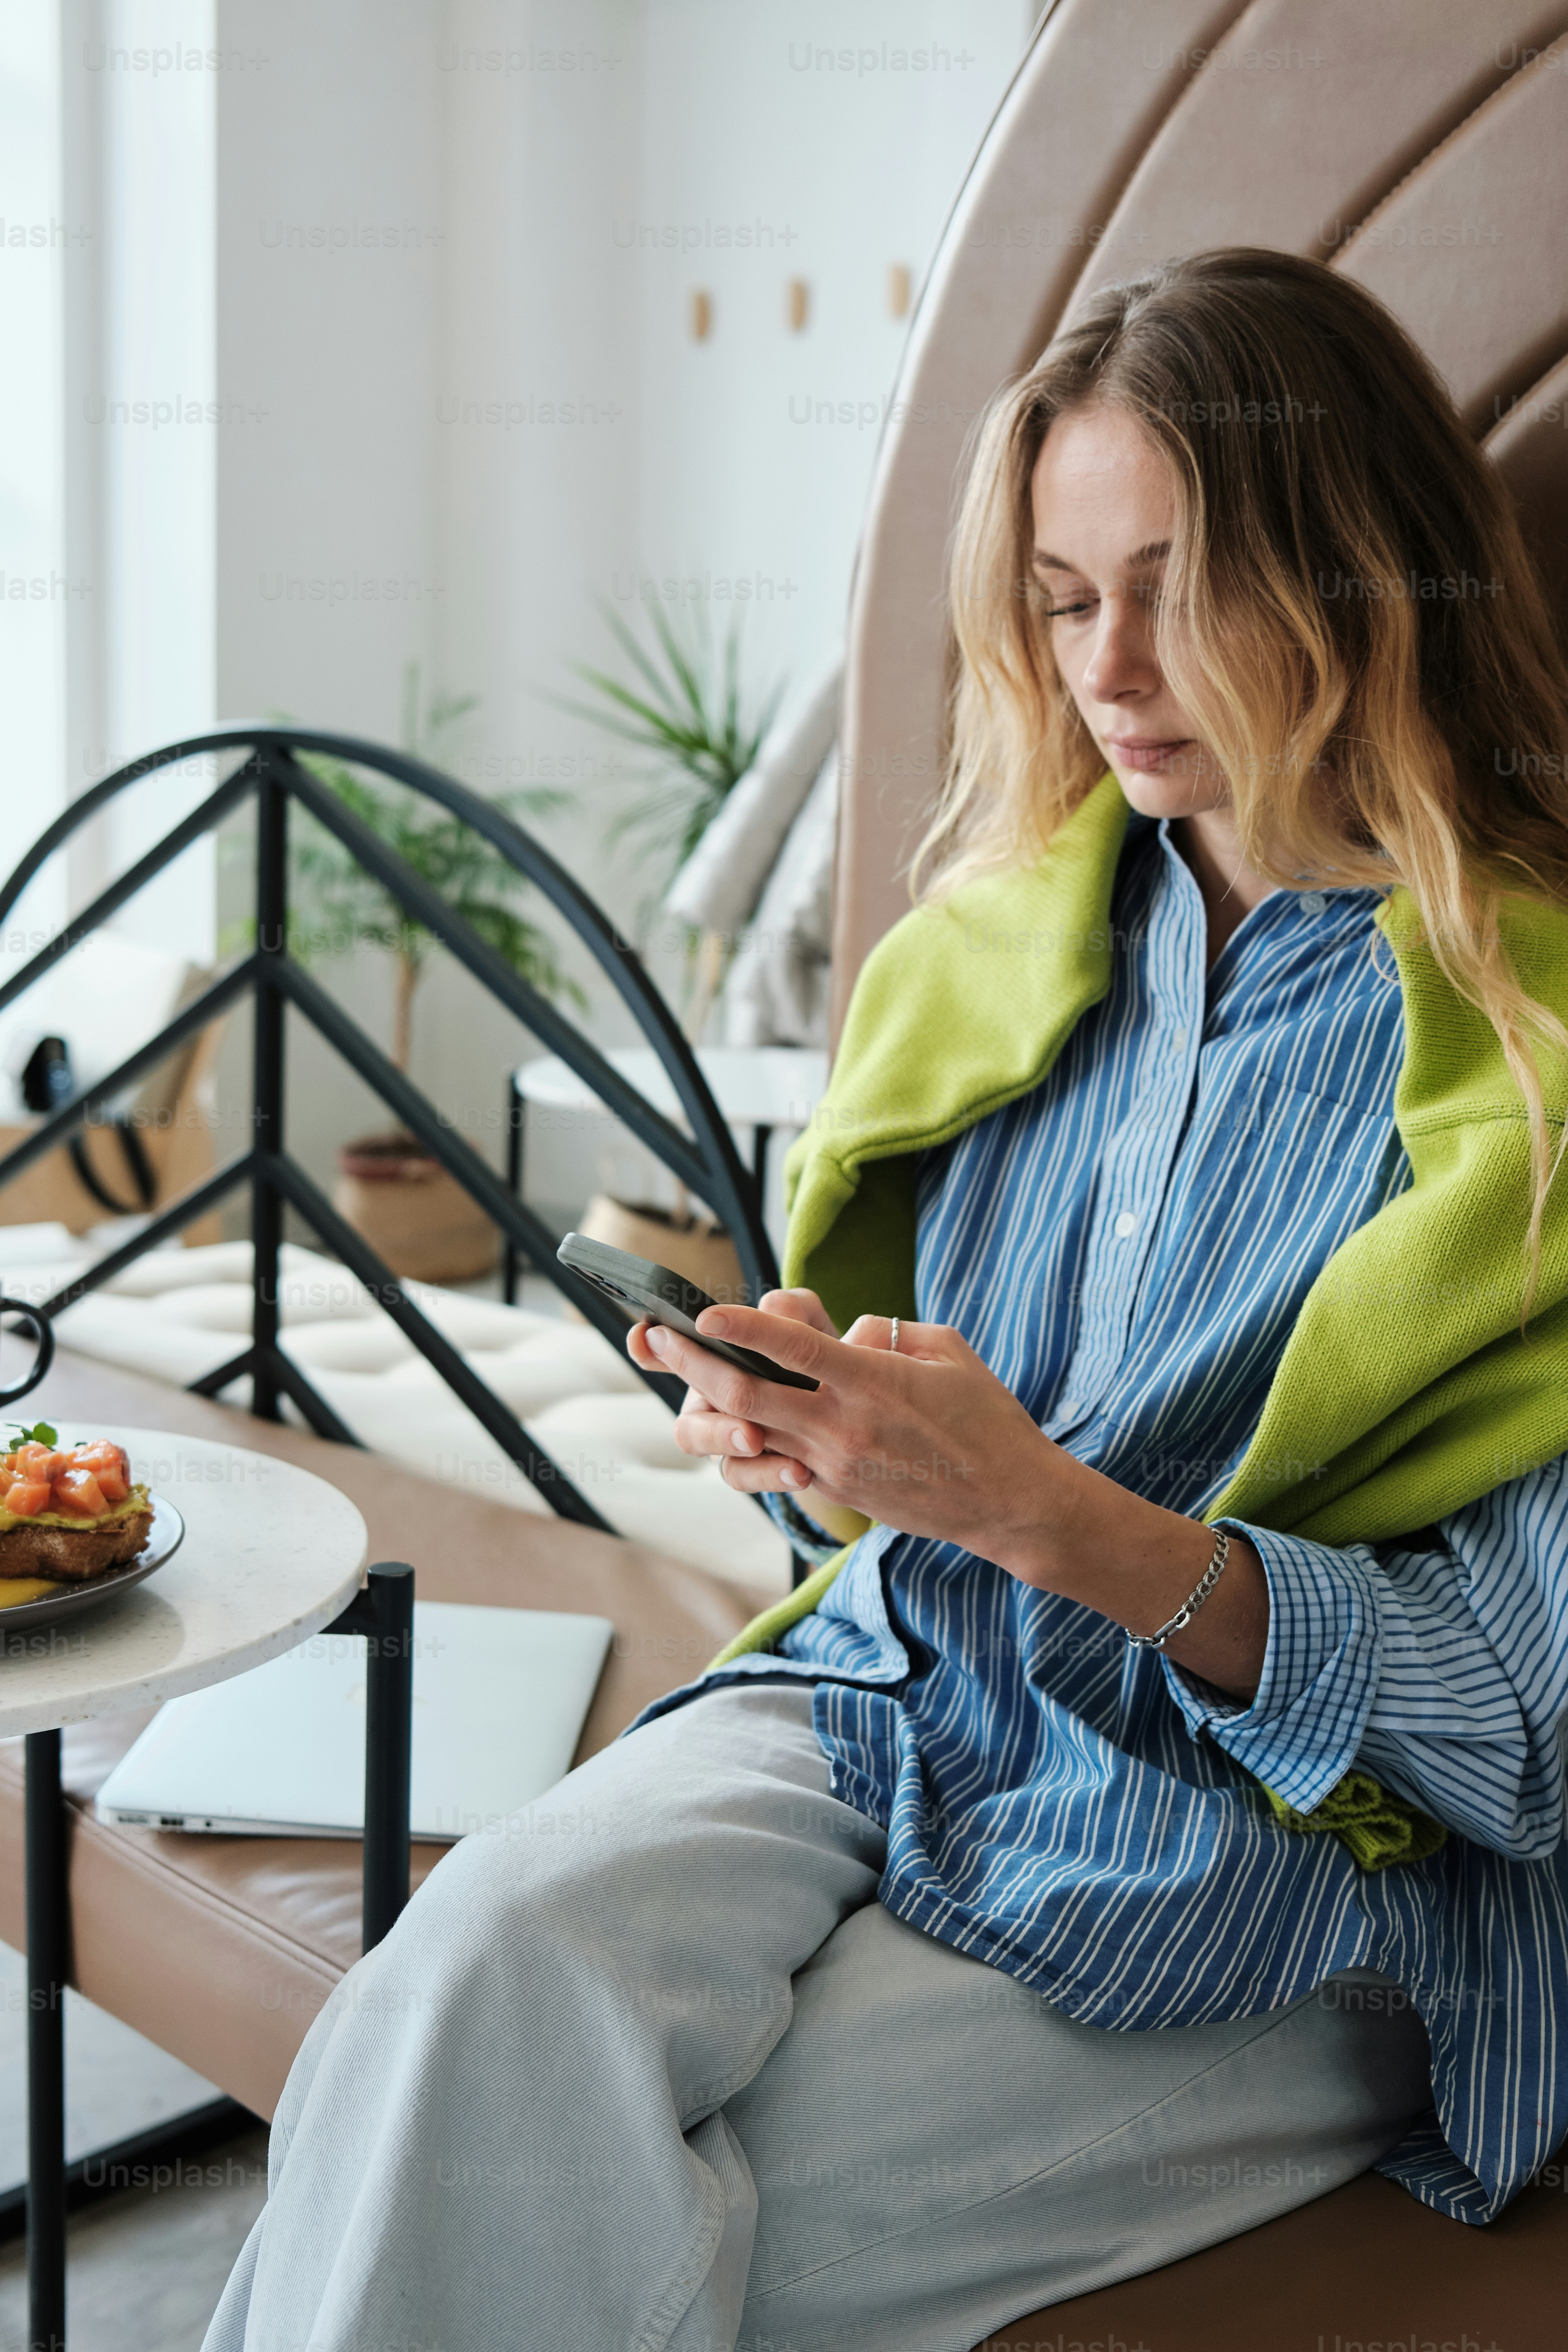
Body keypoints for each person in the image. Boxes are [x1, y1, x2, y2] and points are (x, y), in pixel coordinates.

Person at [204, 249, 1568, 2352]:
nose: (1108, 665)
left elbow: (1525, 1729)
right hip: (901, 1681)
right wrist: (840, 1444)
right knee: (457, 1983)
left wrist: (1053, 1515)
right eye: (1057, 592)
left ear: (1362, 573)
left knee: (647, 2228)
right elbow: (907, 1516)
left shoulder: (1538, 1071)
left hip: (1294, 1866)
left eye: (1176, 582)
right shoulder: (999, 955)